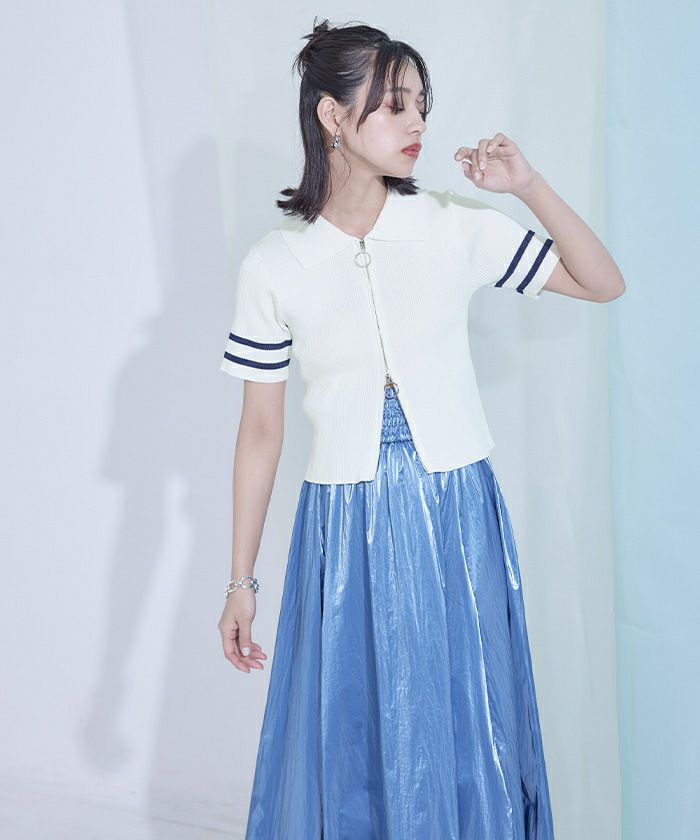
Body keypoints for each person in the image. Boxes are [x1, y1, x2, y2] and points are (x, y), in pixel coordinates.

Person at [217, 18, 625, 840]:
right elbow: (260, 432)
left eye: (421, 106)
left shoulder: (451, 224)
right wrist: (240, 582)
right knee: (357, 728)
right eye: (396, 104)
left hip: (457, 512)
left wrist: (527, 186)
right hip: (345, 524)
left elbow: (601, 282)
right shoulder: (274, 265)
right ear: (332, 116)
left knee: (470, 715)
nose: (419, 125)